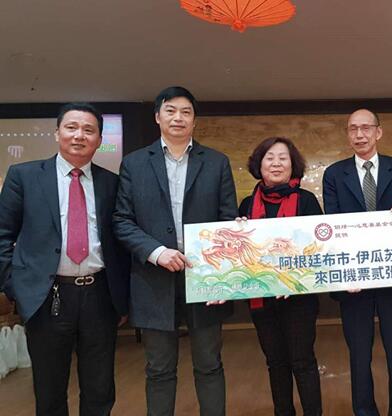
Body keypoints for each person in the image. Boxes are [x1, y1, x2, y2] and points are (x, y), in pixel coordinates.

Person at [113, 86, 237, 416]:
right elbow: (122, 220)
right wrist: (156, 251)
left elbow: (228, 221)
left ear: (195, 120)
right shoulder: (134, 164)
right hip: (153, 279)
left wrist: (221, 277)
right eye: (170, 110)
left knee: (210, 365)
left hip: (205, 279)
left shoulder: (217, 162)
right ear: (157, 117)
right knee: (159, 370)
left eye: (186, 112)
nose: (178, 117)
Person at [0, 103, 130, 415]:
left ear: (99, 140)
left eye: (89, 130)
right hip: (46, 297)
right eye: (71, 127)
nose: (79, 135)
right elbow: (2, 235)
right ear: (57, 133)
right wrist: (16, 286)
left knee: (100, 389)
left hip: (99, 295)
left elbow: (121, 240)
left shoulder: (112, 183)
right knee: (49, 391)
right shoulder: (24, 176)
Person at [322, 109, 392, 416]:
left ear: (378, 132)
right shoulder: (334, 174)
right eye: (353, 129)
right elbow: (333, 225)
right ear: (347, 134)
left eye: (365, 128)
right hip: (355, 279)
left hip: (391, 274)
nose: (359, 134)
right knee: (359, 357)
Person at [237, 137, 324, 416]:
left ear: (292, 164)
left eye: (283, 158)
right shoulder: (246, 205)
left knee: (302, 361)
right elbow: (242, 255)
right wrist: (238, 232)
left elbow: (317, 250)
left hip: (299, 298)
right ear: (259, 165)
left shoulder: (306, 201)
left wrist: (293, 278)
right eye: (270, 158)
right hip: (261, 298)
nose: (276, 163)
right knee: (275, 363)